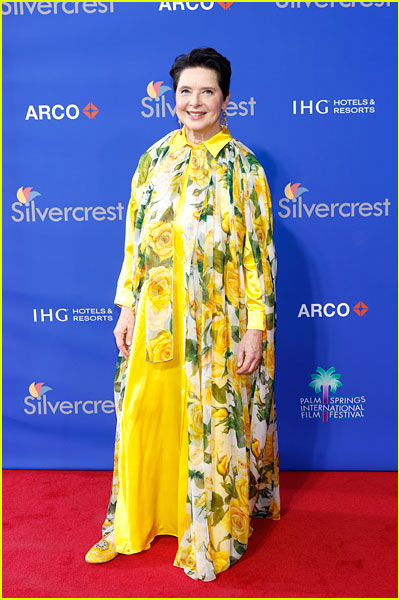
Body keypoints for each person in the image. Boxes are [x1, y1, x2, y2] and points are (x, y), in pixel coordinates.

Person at [85, 47, 280, 582]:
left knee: (210, 425)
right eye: (185, 92)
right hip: (154, 315)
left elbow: (259, 256)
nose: (195, 102)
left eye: (207, 91)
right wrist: (126, 306)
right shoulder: (152, 159)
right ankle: (143, 521)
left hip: (217, 320)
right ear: (173, 100)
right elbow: (134, 242)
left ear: (226, 99)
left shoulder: (244, 168)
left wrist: (256, 327)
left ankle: (208, 528)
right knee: (148, 415)